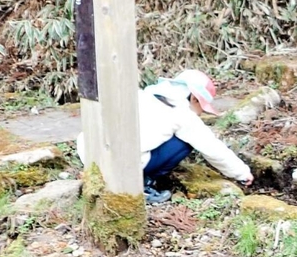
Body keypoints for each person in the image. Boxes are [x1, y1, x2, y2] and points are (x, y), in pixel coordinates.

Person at [77, 70, 253, 204]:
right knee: (185, 143)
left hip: (91, 156)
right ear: (194, 98)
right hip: (121, 168)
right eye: (202, 106)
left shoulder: (141, 95)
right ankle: (142, 186)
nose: (201, 113)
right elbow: (212, 148)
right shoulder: (182, 114)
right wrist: (242, 173)